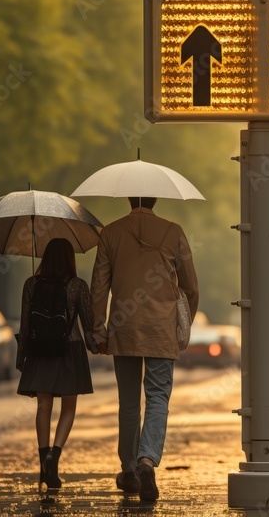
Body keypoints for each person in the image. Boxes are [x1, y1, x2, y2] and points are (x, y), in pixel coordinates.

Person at [90, 197, 199, 502]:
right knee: (158, 397)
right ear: (156, 199)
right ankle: (146, 460)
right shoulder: (173, 231)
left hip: (123, 329)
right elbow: (191, 287)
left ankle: (127, 470)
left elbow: (98, 286)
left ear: (128, 199)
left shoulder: (110, 233)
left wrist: (97, 330)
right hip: (160, 330)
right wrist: (183, 326)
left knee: (128, 402)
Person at [16, 238, 96, 492]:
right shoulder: (78, 286)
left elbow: (25, 325)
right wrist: (97, 345)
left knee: (43, 406)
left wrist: (22, 356)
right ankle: (55, 456)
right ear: (70, 259)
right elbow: (89, 324)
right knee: (68, 408)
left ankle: (43, 463)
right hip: (69, 349)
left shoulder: (31, 284)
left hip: (40, 351)